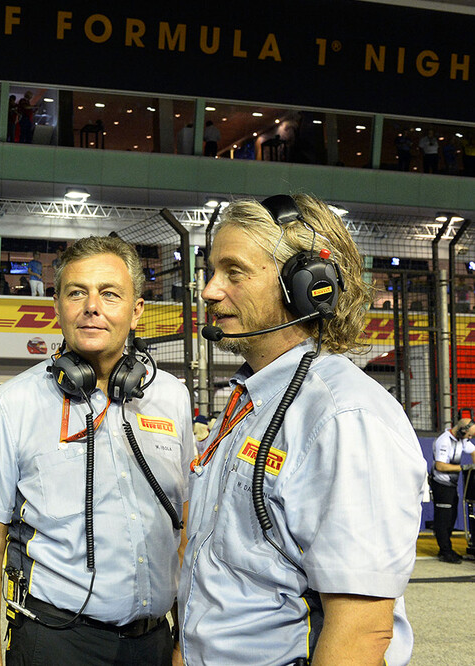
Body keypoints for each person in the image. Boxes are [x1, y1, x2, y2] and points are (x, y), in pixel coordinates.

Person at [180, 194, 426, 665]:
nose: (210, 291)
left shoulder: (344, 418)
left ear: (306, 284)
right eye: (211, 272)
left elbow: (361, 630)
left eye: (234, 272)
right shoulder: (251, 402)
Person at [0, 235, 194, 666]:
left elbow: (183, 529)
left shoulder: (172, 397)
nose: (92, 306)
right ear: (57, 306)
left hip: (155, 644)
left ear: (136, 310)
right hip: (56, 641)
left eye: (109, 294)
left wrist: (183, 640)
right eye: (77, 293)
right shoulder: (12, 405)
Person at [430, 417, 474, 563]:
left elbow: (473, 451)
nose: (470, 438)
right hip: (441, 485)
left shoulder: (462, 440)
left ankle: (447, 549)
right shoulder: (444, 441)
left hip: (451, 485)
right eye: (469, 435)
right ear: (462, 430)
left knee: (451, 518)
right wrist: (463, 467)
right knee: (443, 519)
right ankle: (445, 551)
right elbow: (440, 466)